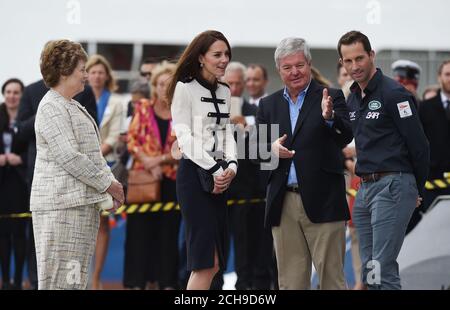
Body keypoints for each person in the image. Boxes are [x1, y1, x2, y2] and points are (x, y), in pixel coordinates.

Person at [256, 37, 352, 290]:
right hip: (283, 203)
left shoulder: (331, 96)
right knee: (290, 283)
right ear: (279, 70)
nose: (294, 72)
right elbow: (256, 151)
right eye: (287, 67)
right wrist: (270, 149)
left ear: (309, 64)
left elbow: (347, 136)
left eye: (299, 65)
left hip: (325, 200)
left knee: (332, 280)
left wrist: (330, 118)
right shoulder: (268, 105)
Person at [338, 30, 430, 289]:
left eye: (359, 58)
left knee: (383, 267)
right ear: (342, 63)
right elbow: (347, 138)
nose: (354, 66)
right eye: (348, 61)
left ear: (371, 56)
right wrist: (328, 118)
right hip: (363, 189)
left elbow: (420, 146)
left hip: (393, 185)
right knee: (369, 271)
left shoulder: (395, 94)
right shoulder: (353, 97)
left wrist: (415, 188)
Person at [30, 39, 124, 289]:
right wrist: (108, 184)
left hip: (78, 207)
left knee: (75, 283)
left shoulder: (71, 106)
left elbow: (93, 154)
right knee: (60, 283)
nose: (86, 75)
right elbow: (70, 156)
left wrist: (110, 183)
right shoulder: (51, 107)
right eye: (82, 69)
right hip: (60, 208)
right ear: (63, 71)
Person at [168, 30, 238, 290]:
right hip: (194, 178)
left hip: (221, 177)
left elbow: (227, 132)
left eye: (226, 54)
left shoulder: (225, 91)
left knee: (216, 263)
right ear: (200, 58)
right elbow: (184, 138)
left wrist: (231, 166)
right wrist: (217, 168)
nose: (224, 60)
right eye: (217, 54)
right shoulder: (184, 88)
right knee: (204, 262)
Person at [16, 79, 97, 290]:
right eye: (82, 68)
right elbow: (21, 131)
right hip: (43, 181)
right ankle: (36, 281)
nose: (86, 75)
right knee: (41, 241)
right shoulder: (38, 96)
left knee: (73, 260)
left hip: (78, 187)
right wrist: (48, 118)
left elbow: (92, 137)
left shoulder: (82, 94)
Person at [125, 61, 180, 290]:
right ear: (154, 85)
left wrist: (160, 160)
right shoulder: (142, 108)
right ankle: (136, 283)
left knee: (168, 236)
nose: (163, 88)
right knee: (138, 235)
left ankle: (167, 283)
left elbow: (184, 147)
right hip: (144, 180)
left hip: (172, 179)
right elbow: (131, 140)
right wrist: (148, 163)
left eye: (168, 84)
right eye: (160, 84)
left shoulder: (181, 112)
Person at [223, 62, 274, 290]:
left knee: (253, 243)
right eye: (229, 83)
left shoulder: (257, 111)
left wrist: (246, 130)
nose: (233, 88)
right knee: (218, 247)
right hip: (218, 190)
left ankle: (250, 287)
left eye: (237, 83)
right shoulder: (210, 111)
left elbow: (265, 153)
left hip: (250, 192)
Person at [86, 54, 123, 289]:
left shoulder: (116, 103)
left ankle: (96, 278)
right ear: (86, 74)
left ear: (107, 76)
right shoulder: (77, 99)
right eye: (93, 71)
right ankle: (81, 276)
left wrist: (93, 157)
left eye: (101, 72)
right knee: (82, 223)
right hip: (81, 168)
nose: (97, 76)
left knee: (101, 224)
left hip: (105, 166)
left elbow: (114, 136)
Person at [415, 60, 450, 232]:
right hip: (432, 183)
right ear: (439, 77)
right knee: (434, 232)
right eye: (447, 74)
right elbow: (418, 143)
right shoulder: (425, 108)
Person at [0, 78, 27, 290]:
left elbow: (36, 147)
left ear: (22, 95)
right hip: (1, 182)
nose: (12, 96)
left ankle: (18, 280)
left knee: (19, 233)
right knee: (2, 233)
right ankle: (6, 280)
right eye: (8, 92)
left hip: (20, 182)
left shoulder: (28, 117)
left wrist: (22, 159)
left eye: (16, 92)